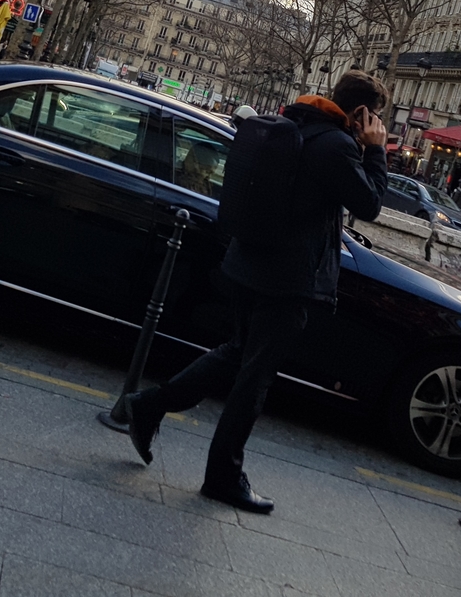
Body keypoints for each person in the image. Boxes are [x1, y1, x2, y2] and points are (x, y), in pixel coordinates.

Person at [124, 70, 389, 514]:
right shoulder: (338, 146)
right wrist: (376, 150)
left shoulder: (300, 124)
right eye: (376, 117)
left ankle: (148, 406)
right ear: (361, 113)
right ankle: (223, 476)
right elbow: (372, 204)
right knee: (254, 379)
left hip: (251, 263)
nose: (378, 125)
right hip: (286, 280)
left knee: (237, 352)